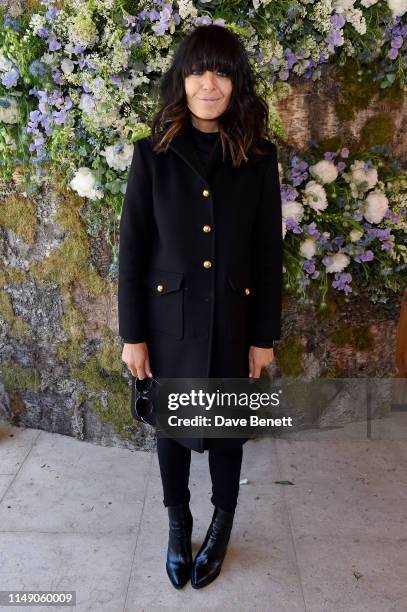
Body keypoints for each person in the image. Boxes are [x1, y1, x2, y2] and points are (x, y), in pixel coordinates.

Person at [118, 24, 283, 590]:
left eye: (220, 72)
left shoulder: (259, 159)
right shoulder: (152, 155)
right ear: (181, 81)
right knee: (174, 432)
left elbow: (267, 256)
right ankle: (177, 522)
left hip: (235, 326)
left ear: (236, 83)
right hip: (169, 326)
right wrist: (133, 335)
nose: (208, 84)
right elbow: (133, 252)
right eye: (197, 71)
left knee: (227, 433)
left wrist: (263, 337)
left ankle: (221, 524)